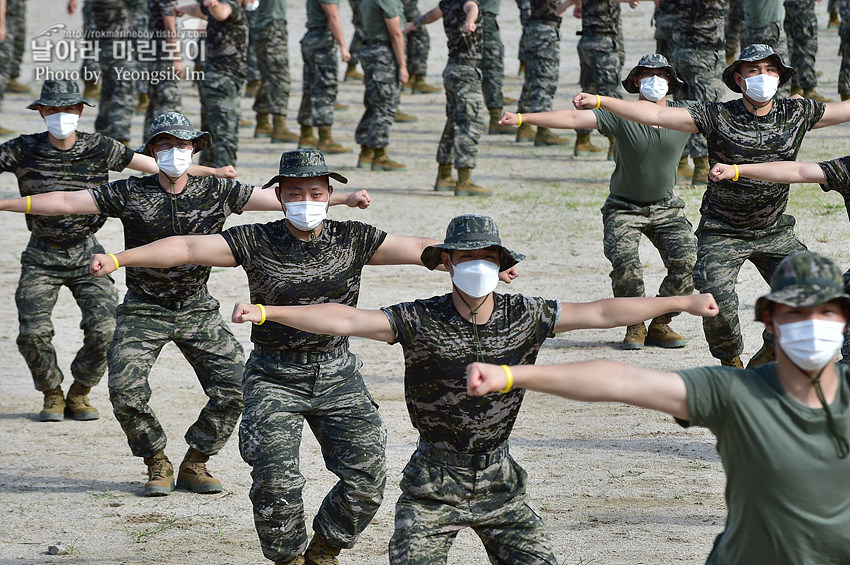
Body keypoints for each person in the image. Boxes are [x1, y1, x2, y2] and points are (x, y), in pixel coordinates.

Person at [228, 213, 719, 565]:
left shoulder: (525, 314)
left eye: (486, 257)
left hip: (500, 482)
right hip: (431, 485)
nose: (476, 266)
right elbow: (345, 318)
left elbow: (603, 312)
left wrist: (681, 301)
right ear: (447, 262)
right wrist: (271, 313)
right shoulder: (419, 317)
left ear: (502, 263)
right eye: (466, 257)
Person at [86, 148, 464, 564]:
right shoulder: (256, 240)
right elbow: (188, 247)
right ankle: (287, 559)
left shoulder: (353, 238)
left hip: (337, 374)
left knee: (366, 478)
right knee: (275, 485)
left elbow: (421, 247)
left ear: (328, 194)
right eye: (296, 192)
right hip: (273, 377)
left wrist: (478, 259)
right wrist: (120, 259)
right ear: (280, 195)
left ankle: (323, 551)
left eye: (316, 192)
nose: (306, 200)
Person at [0, 116, 369, 499]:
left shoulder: (217, 190)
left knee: (234, 388)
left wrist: (344, 198)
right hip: (144, 308)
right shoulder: (130, 191)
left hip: (197, 307)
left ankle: (196, 461)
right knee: (125, 390)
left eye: (181, 146)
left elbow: (274, 197)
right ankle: (155, 460)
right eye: (164, 146)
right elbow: (65, 200)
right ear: (152, 151)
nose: (173, 153)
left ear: (194, 149)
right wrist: (5, 203)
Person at [466, 250, 850, 565]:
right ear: (771, 319)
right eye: (796, 313)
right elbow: (620, 381)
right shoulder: (736, 393)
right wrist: (511, 376)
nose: (811, 325)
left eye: (825, 312)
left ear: (844, 320)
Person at [574, 43, 850, 369]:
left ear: (780, 77)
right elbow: (658, 113)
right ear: (739, 78)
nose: (763, 77)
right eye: (754, 70)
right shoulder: (717, 115)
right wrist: (601, 101)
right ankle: (731, 366)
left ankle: (771, 351)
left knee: (811, 292)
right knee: (717, 305)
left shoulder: (796, 113)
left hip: (774, 229)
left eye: (770, 70)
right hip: (722, 231)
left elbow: (843, 110)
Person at [0, 83, 234, 424]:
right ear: (40, 111)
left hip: (88, 252)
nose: (60, 117)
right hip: (41, 253)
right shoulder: (23, 149)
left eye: (68, 110)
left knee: (105, 330)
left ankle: (80, 390)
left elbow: (159, 165)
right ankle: (51, 392)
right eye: (52, 110)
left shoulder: (100, 147)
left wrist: (212, 173)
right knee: (32, 333)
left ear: (80, 111)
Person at [501, 54, 698, 350]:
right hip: (623, 208)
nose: (655, 80)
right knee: (626, 265)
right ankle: (634, 323)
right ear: (636, 82)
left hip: (666, 208)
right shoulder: (620, 114)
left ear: (671, 83)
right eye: (647, 75)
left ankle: (660, 322)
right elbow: (571, 118)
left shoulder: (684, 113)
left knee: (688, 262)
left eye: (661, 75)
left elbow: (727, 117)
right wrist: (522, 118)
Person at [407, 0, 491, 196]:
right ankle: (464, 180)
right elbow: (472, 8)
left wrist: (414, 24)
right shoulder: (468, 2)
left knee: (453, 122)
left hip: (452, 69)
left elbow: (431, 15)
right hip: (467, 70)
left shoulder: (448, 3)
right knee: (469, 122)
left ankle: (444, 175)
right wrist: (470, 22)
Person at [178, 0, 248, 167]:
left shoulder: (213, 8)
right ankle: (225, 186)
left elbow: (196, 8)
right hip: (224, 81)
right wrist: (214, 4)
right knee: (224, 136)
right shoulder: (232, 6)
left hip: (211, 80)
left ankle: (208, 182)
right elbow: (222, 12)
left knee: (209, 134)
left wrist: (181, 9)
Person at [354, 0, 409, 171]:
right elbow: (396, 34)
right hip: (384, 55)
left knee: (373, 102)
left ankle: (366, 152)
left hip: (370, 50)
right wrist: (402, 65)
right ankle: (379, 155)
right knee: (385, 105)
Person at [297, 0, 352, 153]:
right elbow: (332, 17)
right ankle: (325, 138)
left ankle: (306, 134)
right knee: (324, 89)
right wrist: (343, 46)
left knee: (309, 88)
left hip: (312, 38)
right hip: (322, 41)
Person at [249, 0, 299, 143]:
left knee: (267, 77)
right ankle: (279, 127)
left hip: (262, 24)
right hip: (273, 25)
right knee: (279, 78)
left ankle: (263, 122)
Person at [784, 0, 832, 101]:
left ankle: (795, 86)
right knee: (806, 45)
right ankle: (809, 90)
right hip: (802, 6)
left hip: (791, 5)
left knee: (794, 46)